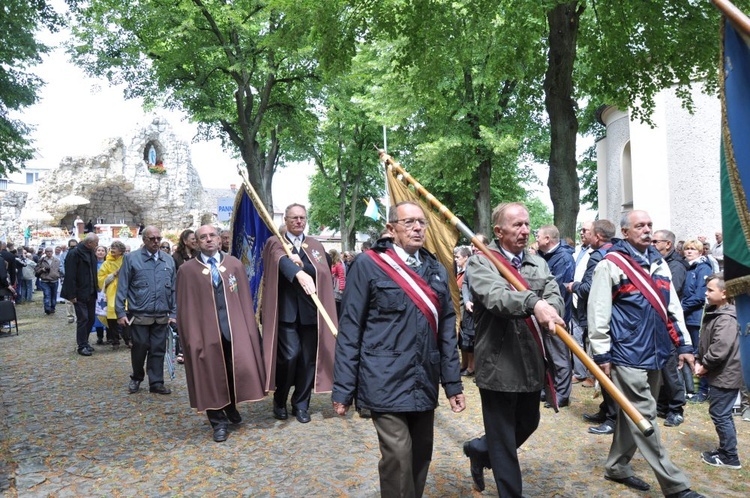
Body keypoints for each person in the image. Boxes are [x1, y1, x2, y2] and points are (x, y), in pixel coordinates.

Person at [332, 201, 465, 498]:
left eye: (422, 222)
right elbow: (350, 329)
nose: (418, 228)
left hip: (424, 378)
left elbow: (446, 331)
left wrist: (453, 384)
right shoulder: (367, 264)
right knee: (398, 457)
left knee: (420, 456)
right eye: (409, 222)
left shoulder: (436, 269)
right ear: (391, 229)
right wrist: (343, 389)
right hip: (383, 379)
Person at [588, 210, 702, 498]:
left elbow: (671, 307)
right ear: (625, 232)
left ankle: (616, 466)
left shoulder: (659, 262)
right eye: (640, 226)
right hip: (626, 354)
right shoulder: (611, 264)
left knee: (633, 414)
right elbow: (598, 313)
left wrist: (685, 345)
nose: (647, 230)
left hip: (656, 353)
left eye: (650, 225)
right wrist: (601, 356)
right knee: (645, 416)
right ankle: (675, 485)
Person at [462, 202, 565, 496]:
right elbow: (496, 298)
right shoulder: (482, 262)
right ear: (499, 230)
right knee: (504, 440)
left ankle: (480, 450)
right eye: (517, 225)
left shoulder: (537, 262)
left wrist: (551, 310)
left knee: (528, 423)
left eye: (527, 224)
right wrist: (534, 303)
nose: (524, 230)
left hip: (531, 360)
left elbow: (553, 292)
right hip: (497, 363)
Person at [176, 225, 266, 442]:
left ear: (220, 239)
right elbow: (184, 307)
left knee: (233, 370)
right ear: (196, 242)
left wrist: (248, 330)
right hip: (205, 334)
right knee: (210, 374)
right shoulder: (187, 271)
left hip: (232, 331)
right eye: (203, 237)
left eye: (212, 236)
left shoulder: (234, 265)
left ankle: (231, 406)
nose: (208, 240)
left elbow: (245, 300)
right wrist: (190, 336)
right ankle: (218, 421)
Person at [261, 203, 337, 424]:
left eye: (302, 218)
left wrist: (304, 266)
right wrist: (295, 269)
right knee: (290, 356)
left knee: (307, 360)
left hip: (311, 312)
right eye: (293, 217)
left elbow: (323, 270)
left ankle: (301, 404)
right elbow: (278, 261)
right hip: (286, 313)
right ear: (285, 219)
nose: (298, 221)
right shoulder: (276, 242)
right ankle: (280, 398)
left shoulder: (314, 245)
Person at [566, 219, 618, 435]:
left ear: (598, 236)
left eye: (587, 231)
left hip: (600, 320)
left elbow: (589, 288)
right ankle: (606, 410)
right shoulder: (615, 252)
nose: (583, 234)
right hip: (610, 319)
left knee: (605, 367)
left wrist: (573, 286)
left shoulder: (599, 256)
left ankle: (613, 418)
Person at [116, 226, 176, 395]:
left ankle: (156, 382)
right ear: (144, 240)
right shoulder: (131, 259)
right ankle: (136, 377)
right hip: (140, 314)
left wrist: (174, 313)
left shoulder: (168, 260)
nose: (156, 242)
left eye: (158, 238)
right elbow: (123, 286)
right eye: (152, 239)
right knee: (140, 347)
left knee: (158, 349)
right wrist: (120, 312)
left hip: (161, 315)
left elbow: (174, 289)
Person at [695, 273, 743, 469]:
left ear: (724, 293)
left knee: (720, 414)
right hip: (722, 372)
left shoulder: (727, 318)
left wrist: (704, 365)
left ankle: (730, 456)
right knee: (721, 413)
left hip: (727, 374)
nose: (706, 294)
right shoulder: (718, 312)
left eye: (710, 290)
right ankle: (726, 451)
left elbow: (720, 348)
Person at [653, 229, 690, 427]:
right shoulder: (657, 262)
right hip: (655, 324)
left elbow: (669, 293)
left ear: (668, 244)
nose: (652, 244)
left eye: (656, 241)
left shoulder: (675, 266)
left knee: (670, 370)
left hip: (669, 326)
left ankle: (676, 408)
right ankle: (661, 405)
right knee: (658, 370)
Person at [536, 224, 575, 408]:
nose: (535, 238)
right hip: (543, 314)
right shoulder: (543, 257)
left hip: (557, 315)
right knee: (548, 356)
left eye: (538, 235)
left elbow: (557, 288)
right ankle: (550, 390)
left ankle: (562, 394)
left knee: (559, 356)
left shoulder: (564, 258)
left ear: (547, 239)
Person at [682, 239, 714, 403]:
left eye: (693, 249)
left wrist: (681, 308)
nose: (689, 251)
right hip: (686, 316)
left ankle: (701, 390)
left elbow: (699, 296)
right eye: (687, 249)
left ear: (700, 252)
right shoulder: (687, 268)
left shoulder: (703, 268)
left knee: (698, 353)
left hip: (695, 318)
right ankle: (690, 389)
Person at [61, 233, 100, 356]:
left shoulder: (91, 253)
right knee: (83, 319)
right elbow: (70, 275)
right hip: (79, 292)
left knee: (91, 319)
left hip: (91, 292)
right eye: (96, 243)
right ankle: (81, 345)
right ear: (89, 243)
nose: (97, 246)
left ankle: (85, 341)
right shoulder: (74, 253)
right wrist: (71, 294)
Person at [98, 241, 129, 349]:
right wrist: (114, 274)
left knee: (125, 315)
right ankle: (115, 340)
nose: (112, 250)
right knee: (111, 318)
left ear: (121, 251)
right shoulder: (106, 263)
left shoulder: (126, 261)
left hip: (125, 291)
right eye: (112, 248)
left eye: (115, 248)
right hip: (111, 293)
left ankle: (128, 339)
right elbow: (101, 279)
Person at [454, 245, 475, 376]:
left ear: (466, 257)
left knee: (469, 339)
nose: (456, 259)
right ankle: (464, 364)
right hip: (459, 311)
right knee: (462, 340)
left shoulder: (469, 273)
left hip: (468, 311)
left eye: (458, 257)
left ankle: (472, 366)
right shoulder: (460, 272)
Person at [36, 247, 61, 315]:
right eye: (47, 251)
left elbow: (60, 269)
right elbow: (36, 270)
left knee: (54, 295)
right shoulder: (41, 260)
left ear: (52, 252)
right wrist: (42, 270)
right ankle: (47, 308)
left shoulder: (57, 260)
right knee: (47, 295)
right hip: (45, 281)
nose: (49, 253)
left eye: (50, 251)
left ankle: (52, 307)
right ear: (45, 252)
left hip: (54, 280)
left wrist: (58, 275)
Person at [329, 248, 346, 318]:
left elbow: (342, 276)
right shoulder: (332, 263)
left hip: (337, 285)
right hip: (333, 283)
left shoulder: (339, 264)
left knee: (337, 302)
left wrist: (341, 288)